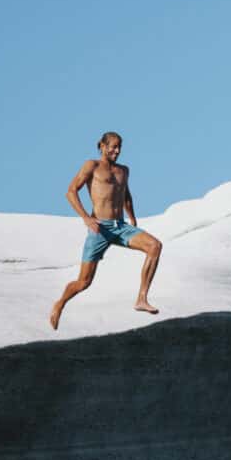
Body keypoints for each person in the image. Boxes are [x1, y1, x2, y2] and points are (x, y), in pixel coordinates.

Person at [49, 131, 162, 330]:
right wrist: (86, 218)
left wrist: (132, 217)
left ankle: (141, 299)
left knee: (155, 246)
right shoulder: (91, 166)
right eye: (113, 147)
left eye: (119, 147)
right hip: (99, 228)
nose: (117, 151)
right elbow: (70, 191)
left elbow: (125, 194)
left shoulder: (123, 170)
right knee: (84, 282)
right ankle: (60, 303)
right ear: (102, 145)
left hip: (120, 226)